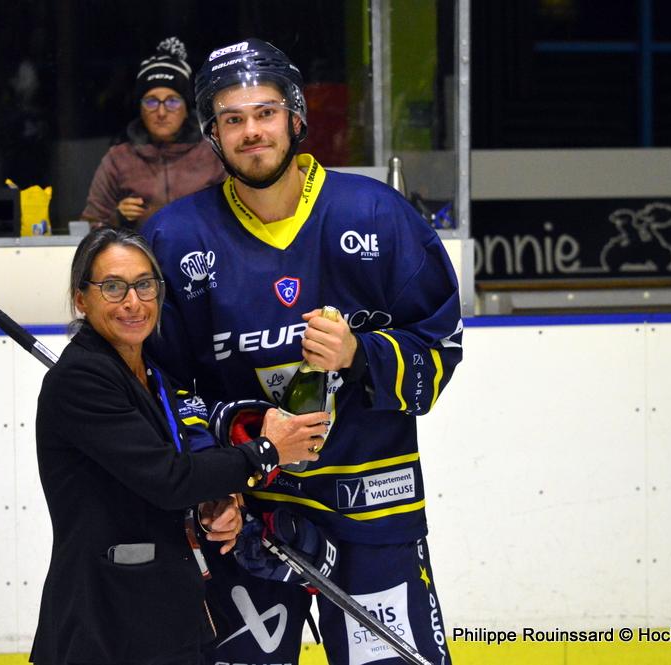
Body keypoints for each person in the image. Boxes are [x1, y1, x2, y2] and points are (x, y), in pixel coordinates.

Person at [142, 40, 464, 665]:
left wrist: (361, 354)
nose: (251, 131)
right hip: (243, 518)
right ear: (212, 134)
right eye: (232, 119)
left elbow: (441, 346)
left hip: (372, 509)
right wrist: (211, 486)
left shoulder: (378, 214)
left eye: (264, 113)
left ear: (294, 117)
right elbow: (162, 383)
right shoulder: (174, 239)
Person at [30, 227, 328, 665]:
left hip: (163, 620)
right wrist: (267, 451)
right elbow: (169, 480)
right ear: (81, 299)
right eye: (112, 287)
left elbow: (168, 477)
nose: (133, 302)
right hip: (104, 625)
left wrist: (210, 504)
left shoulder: (150, 375)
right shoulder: (81, 380)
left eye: (144, 285)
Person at [81, 37, 226, 230]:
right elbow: (90, 225)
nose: (161, 112)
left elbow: (239, 215)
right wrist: (117, 218)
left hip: (202, 248)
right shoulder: (118, 159)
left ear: (186, 108)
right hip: (139, 249)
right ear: (140, 109)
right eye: (151, 101)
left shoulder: (212, 154)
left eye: (172, 101)